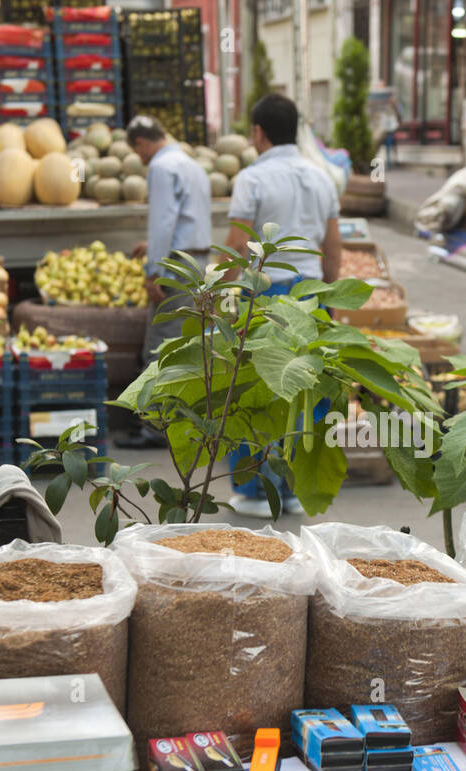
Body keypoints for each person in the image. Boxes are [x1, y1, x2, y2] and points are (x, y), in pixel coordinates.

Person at [219, 92, 342, 517]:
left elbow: (237, 244)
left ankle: (256, 490)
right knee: (306, 392)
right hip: (310, 296)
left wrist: (215, 291)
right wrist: (332, 302)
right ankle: (294, 490)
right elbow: (332, 248)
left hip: (267, 297)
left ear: (258, 133)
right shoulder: (322, 177)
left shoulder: (252, 179)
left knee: (256, 389)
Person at [121, 115, 212, 449]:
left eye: (137, 150)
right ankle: (185, 425)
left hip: (174, 267)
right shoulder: (192, 164)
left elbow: (163, 221)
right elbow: (188, 218)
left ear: (142, 143)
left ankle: (155, 429)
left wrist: (153, 270)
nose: (140, 157)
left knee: (159, 349)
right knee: (186, 348)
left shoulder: (161, 167)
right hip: (196, 261)